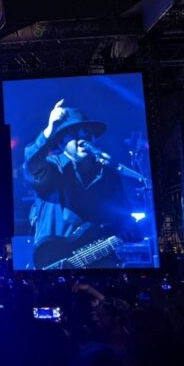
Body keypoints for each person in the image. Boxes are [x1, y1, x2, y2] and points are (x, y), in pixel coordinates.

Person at [23, 100, 136, 269]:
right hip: (55, 262)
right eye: (75, 134)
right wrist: (48, 131)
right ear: (61, 142)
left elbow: (122, 217)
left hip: (100, 264)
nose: (83, 138)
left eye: (87, 134)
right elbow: (32, 164)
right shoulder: (52, 168)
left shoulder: (109, 175)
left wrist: (133, 230)